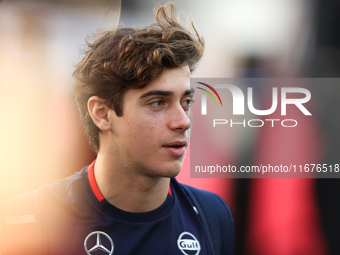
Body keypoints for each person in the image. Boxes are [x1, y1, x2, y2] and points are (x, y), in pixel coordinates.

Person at [0, 3, 234, 255]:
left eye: (186, 102)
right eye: (158, 102)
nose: (183, 121)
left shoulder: (212, 215)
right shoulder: (30, 219)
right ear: (102, 114)